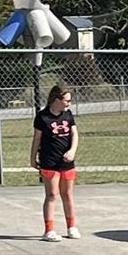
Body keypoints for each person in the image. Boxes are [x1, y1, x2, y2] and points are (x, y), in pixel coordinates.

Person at [32, 83, 78, 240]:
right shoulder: (42, 117)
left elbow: (75, 135)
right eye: (67, 100)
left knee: (67, 194)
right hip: (49, 161)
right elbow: (37, 138)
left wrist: (72, 151)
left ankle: (71, 226)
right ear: (57, 99)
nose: (69, 103)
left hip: (66, 162)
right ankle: (49, 230)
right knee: (52, 194)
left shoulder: (68, 115)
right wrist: (33, 158)